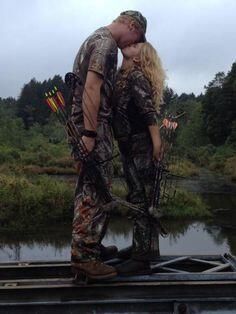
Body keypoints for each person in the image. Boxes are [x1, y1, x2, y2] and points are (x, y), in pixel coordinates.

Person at [70, 10, 147, 280]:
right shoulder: (106, 44)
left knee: (91, 186)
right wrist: (90, 134)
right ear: (132, 26)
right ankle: (85, 257)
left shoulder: (94, 38)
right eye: (136, 37)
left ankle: (92, 247)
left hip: (84, 124)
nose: (131, 44)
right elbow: (92, 88)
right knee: (97, 191)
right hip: (93, 126)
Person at [112, 41, 165, 275]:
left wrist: (156, 143)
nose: (128, 46)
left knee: (141, 197)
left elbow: (147, 112)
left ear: (141, 56)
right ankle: (143, 248)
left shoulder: (135, 77)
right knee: (138, 195)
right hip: (129, 145)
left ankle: (141, 258)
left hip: (140, 145)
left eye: (134, 46)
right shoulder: (124, 76)